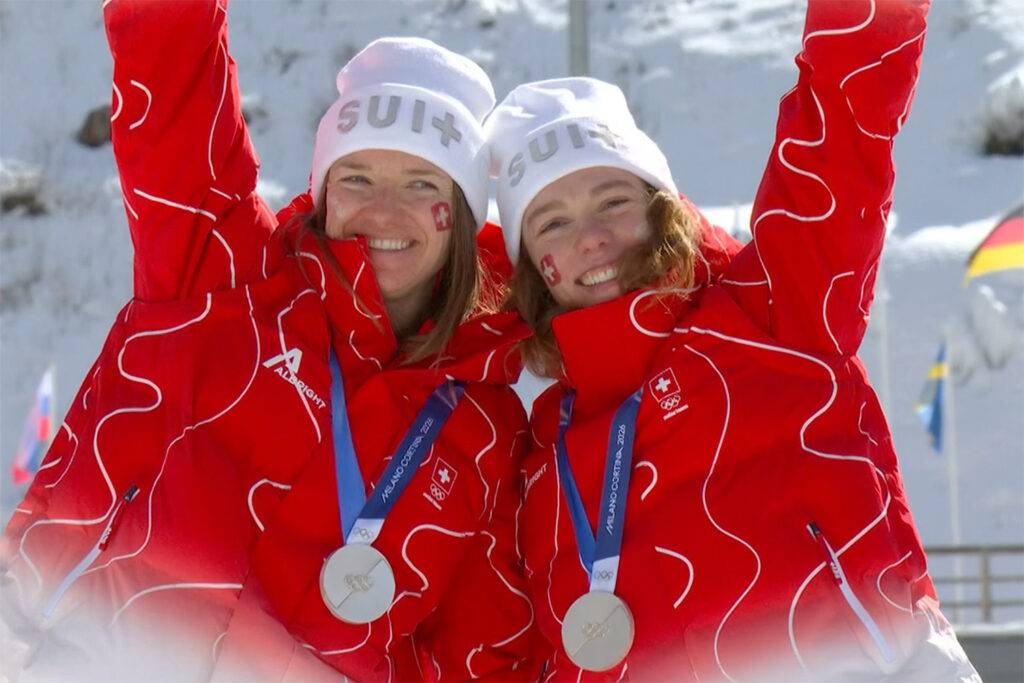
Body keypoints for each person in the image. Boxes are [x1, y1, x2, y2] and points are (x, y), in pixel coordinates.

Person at [1, 1, 545, 680]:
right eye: (357, 177)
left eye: (421, 184)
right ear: (322, 190)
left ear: (459, 214)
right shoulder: (224, 273)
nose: (384, 211)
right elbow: (171, 72)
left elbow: (478, 656)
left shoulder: (487, 432)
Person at [486, 0, 981, 680]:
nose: (590, 239)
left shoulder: (774, 305)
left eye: (612, 201)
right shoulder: (540, 458)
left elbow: (844, 117)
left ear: (662, 207)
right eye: (551, 223)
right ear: (530, 265)